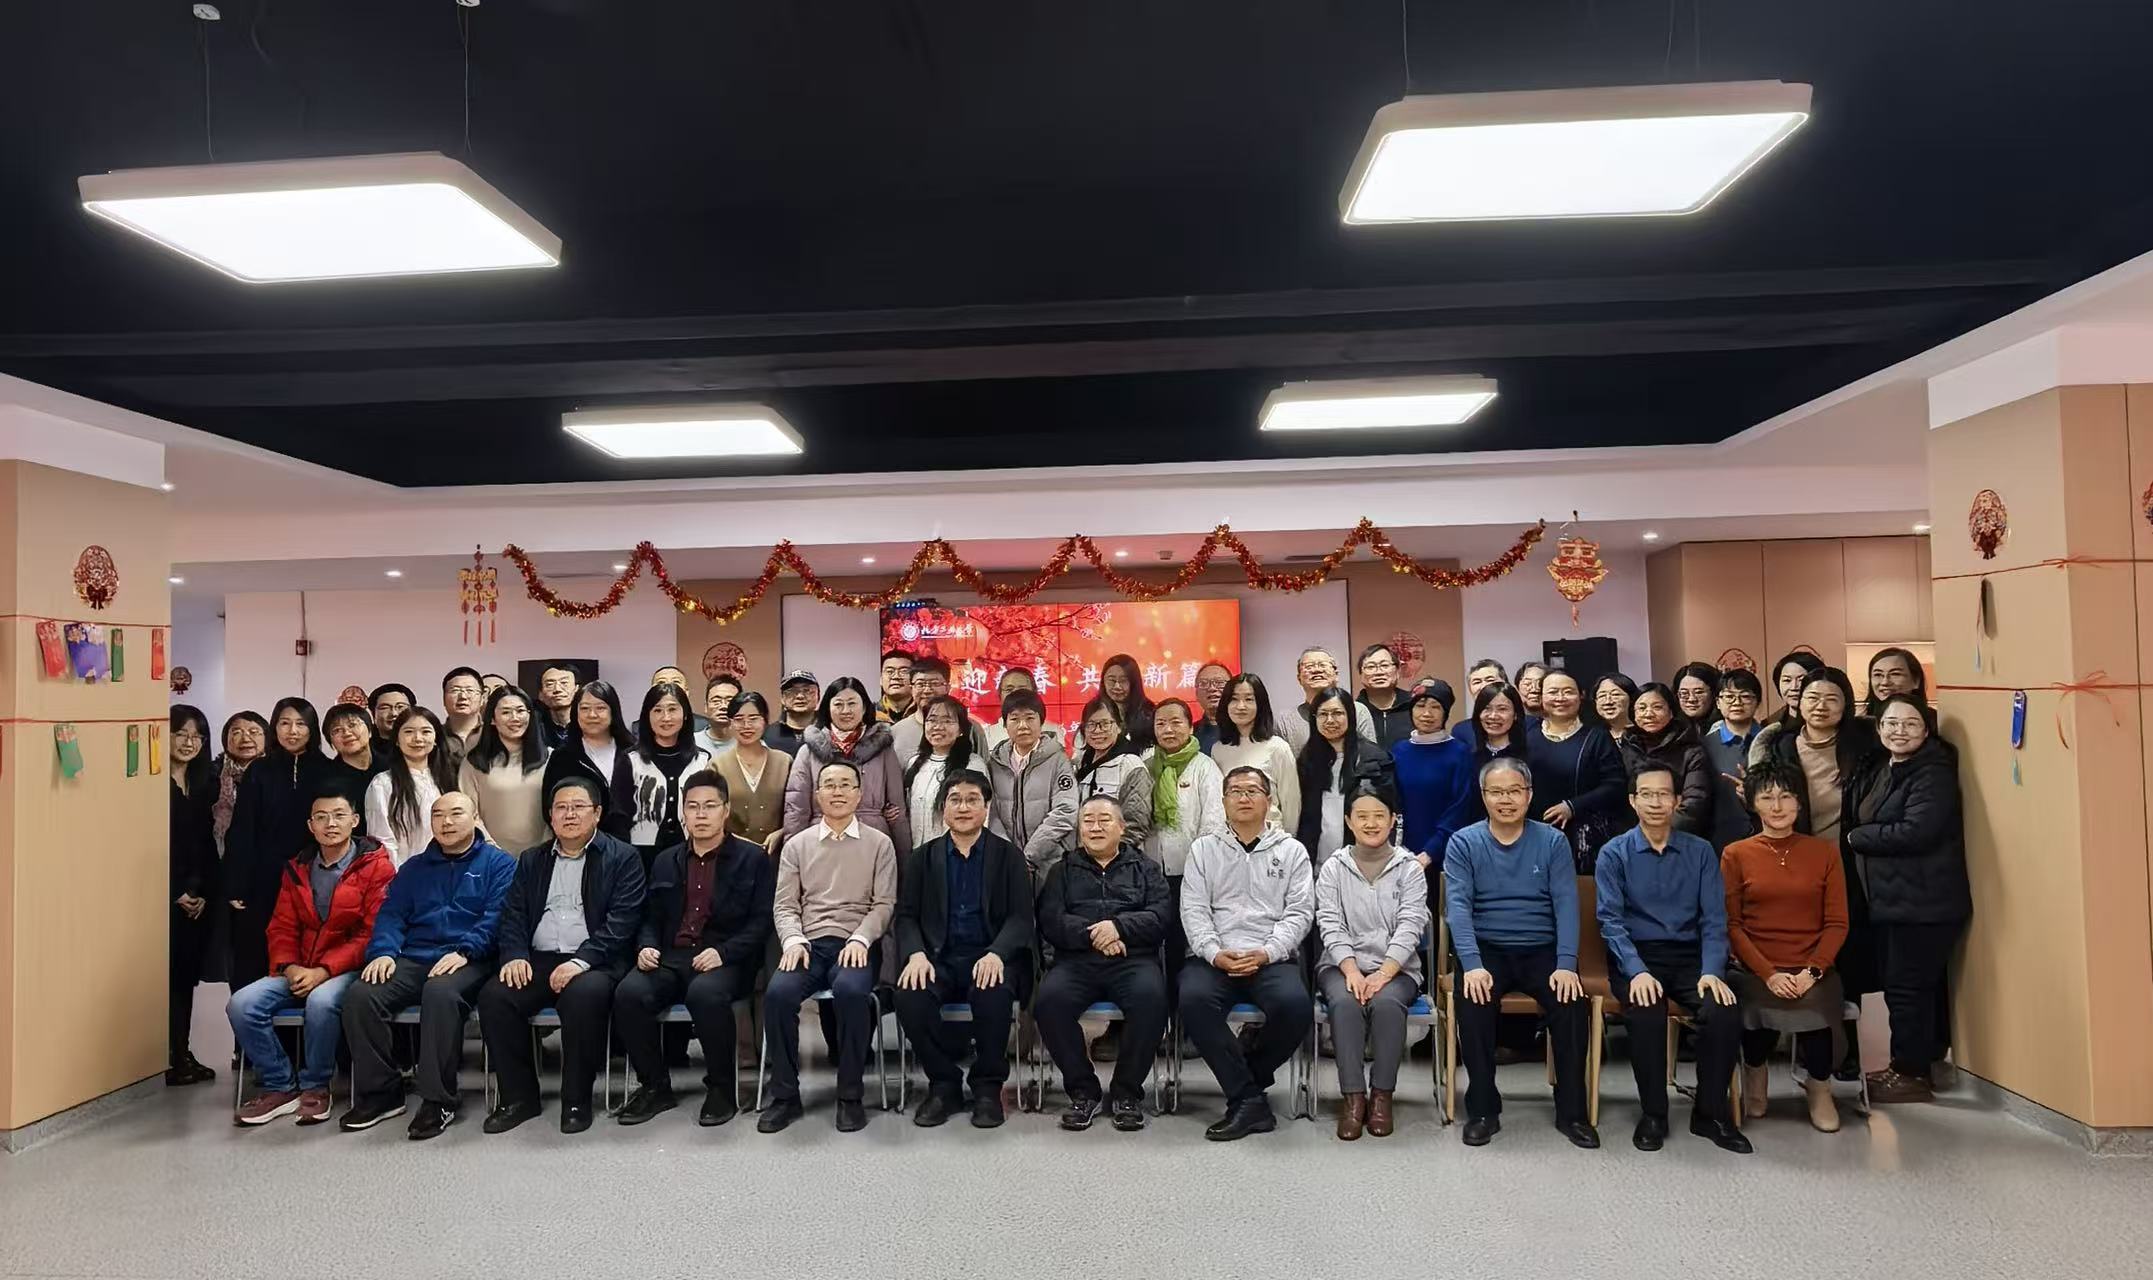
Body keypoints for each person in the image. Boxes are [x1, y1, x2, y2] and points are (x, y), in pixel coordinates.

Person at [337, 791, 517, 1138]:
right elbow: (391, 915)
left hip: (471, 958)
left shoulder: (499, 864)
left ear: (475, 818)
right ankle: (382, 1093)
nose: (446, 822)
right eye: (438, 815)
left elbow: (498, 916)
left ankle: (438, 1100)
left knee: (440, 993)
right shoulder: (414, 868)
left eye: (456, 813)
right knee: (362, 995)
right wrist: (384, 952)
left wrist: (466, 951)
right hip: (415, 956)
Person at [477, 775, 648, 1135]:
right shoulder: (532, 860)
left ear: (597, 813)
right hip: (539, 958)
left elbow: (622, 924)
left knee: (582, 997)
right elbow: (513, 915)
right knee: (496, 996)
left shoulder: (623, 857)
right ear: (550, 816)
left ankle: (576, 1100)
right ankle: (519, 1098)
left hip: (595, 960)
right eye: (561, 808)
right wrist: (514, 954)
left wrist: (579, 962)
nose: (569, 815)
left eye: (578, 807)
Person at [1596, 762, 1750, 1154]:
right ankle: (1654, 1113)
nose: (1655, 802)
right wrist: (1636, 971)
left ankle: (1710, 1113)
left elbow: (1714, 919)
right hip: (1638, 956)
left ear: (1677, 800)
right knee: (1646, 1010)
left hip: (1691, 957)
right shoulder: (1614, 853)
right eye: (1646, 794)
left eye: (1663, 794)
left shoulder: (1700, 852)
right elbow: (1611, 922)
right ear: (1632, 801)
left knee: (1723, 1009)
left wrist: (1712, 970)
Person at [1444, 757, 1597, 1149]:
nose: (1506, 799)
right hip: (1487, 951)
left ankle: (1572, 1111)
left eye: (1514, 791)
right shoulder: (1464, 842)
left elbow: (1566, 904)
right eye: (1496, 792)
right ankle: (1483, 1109)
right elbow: (1458, 908)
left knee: (1571, 1003)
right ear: (1484, 796)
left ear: (1529, 795)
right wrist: (1472, 965)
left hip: (1542, 949)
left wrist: (1566, 964)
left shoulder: (1552, 841)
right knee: (1473, 1004)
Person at [612, 770, 775, 1127]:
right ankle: (655, 1086)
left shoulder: (752, 858)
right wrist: (646, 945)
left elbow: (762, 921)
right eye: (693, 806)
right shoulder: (666, 859)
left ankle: (721, 1089)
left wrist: (724, 953)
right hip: (671, 957)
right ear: (683, 812)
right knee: (629, 993)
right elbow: (649, 916)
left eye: (710, 806)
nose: (701, 814)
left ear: (726, 810)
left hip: (727, 958)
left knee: (705, 994)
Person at [227, 786, 392, 1125]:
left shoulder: (376, 866)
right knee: (242, 1004)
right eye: (321, 817)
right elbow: (281, 927)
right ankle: (280, 1085)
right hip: (299, 967)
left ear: (355, 821)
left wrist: (324, 971)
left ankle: (316, 1086)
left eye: (339, 816)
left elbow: (371, 933)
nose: (330, 824)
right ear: (310, 826)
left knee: (321, 1001)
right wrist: (289, 968)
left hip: (349, 968)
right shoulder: (297, 868)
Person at [1843, 694, 1971, 1104]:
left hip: (1922, 903)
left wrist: (1858, 838)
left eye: (1910, 723)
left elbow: (1917, 831)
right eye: (1891, 724)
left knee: (1907, 989)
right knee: (1903, 986)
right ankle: (1914, 1063)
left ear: (1927, 730)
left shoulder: (1933, 772)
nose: (1899, 731)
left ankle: (1910, 1073)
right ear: (1879, 729)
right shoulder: (1888, 766)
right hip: (1893, 901)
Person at [761, 759, 900, 1134]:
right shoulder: (798, 845)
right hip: (808, 944)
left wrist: (861, 937)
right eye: (829, 785)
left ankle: (850, 1096)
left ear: (859, 793)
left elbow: (884, 904)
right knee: (778, 994)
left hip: (856, 943)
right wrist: (793, 939)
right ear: (817, 794)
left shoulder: (879, 843)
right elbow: (785, 905)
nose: (837, 792)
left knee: (852, 992)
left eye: (845, 785)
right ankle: (785, 1096)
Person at [1179, 766, 1315, 1141]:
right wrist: (1213, 951)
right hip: (1215, 956)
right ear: (1223, 801)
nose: (1243, 798)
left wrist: (1268, 952)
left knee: (1295, 1007)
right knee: (1193, 1000)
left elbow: (1300, 913)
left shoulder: (1292, 852)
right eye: (1235, 791)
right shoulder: (1204, 849)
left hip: (1270, 956)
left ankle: (1244, 1086)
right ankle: (1249, 1098)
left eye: (1252, 791)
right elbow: (1193, 909)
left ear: (1268, 801)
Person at [895, 771, 1034, 1128]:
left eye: (973, 799)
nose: (963, 807)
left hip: (989, 955)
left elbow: (1021, 918)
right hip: (937, 958)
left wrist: (997, 953)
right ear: (943, 809)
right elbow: (906, 916)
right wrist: (916, 954)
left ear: (986, 807)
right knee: (910, 996)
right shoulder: (922, 858)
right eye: (955, 799)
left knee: (993, 993)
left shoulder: (1009, 856)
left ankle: (987, 1087)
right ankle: (944, 1084)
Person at [1722, 760, 1849, 1132]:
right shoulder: (1735, 854)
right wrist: (1769, 974)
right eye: (1767, 797)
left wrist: (1812, 971)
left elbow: (1837, 923)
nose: (1777, 806)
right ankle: (1755, 1073)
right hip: (1756, 967)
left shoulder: (1825, 853)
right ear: (1752, 803)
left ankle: (1819, 1087)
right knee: (1759, 1010)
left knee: (1816, 1013)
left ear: (1799, 802)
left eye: (1786, 796)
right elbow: (1732, 924)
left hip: (1813, 967)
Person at [1033, 795, 1173, 1132]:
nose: (1095, 827)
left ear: (1122, 827)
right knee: (1049, 1002)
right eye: (1088, 821)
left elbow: (1161, 916)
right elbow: (1051, 919)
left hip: (1132, 960)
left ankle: (1127, 1092)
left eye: (1104, 820)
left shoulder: (1146, 869)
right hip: (1076, 961)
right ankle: (1084, 1091)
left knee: (1152, 1000)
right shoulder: (1062, 870)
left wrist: (1120, 928)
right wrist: (1095, 934)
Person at [1315, 784, 1431, 1139]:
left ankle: (1382, 1096)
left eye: (1379, 815)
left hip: (1398, 968)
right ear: (1349, 821)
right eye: (1362, 816)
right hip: (1340, 965)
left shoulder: (1409, 868)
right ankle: (1353, 1099)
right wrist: (1351, 969)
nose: (1371, 823)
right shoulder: (1333, 868)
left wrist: (1384, 972)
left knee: (1386, 1003)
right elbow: (1329, 922)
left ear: (1393, 820)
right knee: (1346, 1002)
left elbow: (1412, 924)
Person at [223, 697, 330, 988]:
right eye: (284, 723)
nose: (292, 731)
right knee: (254, 958)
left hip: (312, 877)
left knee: (305, 957)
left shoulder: (327, 769)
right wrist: (236, 882)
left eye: (300, 724)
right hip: (263, 877)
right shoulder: (259, 770)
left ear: (312, 729)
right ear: (274, 728)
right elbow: (242, 828)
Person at [783, 676, 910, 852]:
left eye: (852, 704)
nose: (845, 711)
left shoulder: (883, 750)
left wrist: (904, 857)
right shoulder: (808, 751)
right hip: (821, 840)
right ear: (827, 708)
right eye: (838, 704)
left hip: (872, 841)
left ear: (864, 708)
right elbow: (796, 808)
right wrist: (791, 853)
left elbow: (897, 809)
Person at [1522, 670, 1630, 874]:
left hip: (1584, 838)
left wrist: (1573, 806)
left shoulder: (1597, 737)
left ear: (1581, 695)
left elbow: (1615, 785)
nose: (1560, 698)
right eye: (1553, 692)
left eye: (1568, 691)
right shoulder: (1527, 737)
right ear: (1542, 697)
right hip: (1534, 834)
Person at [167, 705, 220, 1087]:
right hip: (160, 897)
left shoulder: (205, 784)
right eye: (180, 734)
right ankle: (163, 1058)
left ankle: (181, 1054)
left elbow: (206, 844)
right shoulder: (151, 782)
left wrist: (199, 892)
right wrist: (174, 892)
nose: (189, 742)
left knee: (185, 979)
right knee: (162, 979)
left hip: (197, 899)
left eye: (197, 736)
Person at [1294, 687, 1393, 867]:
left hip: (1361, 861)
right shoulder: (1307, 759)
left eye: (1337, 713)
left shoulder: (1373, 758)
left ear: (1350, 716)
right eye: (1323, 714)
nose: (1330, 720)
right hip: (1315, 862)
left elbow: (1391, 812)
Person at [985, 688, 1078, 872]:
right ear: (1005, 724)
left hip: (1051, 863)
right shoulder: (996, 762)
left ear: (1041, 721)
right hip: (1007, 864)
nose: (1023, 726)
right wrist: (1009, 856)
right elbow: (991, 813)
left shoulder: (1058, 759)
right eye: (1014, 719)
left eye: (1029, 718)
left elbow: (1066, 810)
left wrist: (1029, 856)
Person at [626, 681, 715, 870]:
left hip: (693, 854)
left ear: (685, 715)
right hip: (639, 857)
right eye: (657, 710)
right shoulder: (630, 759)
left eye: (673, 709)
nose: (666, 717)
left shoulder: (703, 760)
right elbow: (619, 814)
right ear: (647, 716)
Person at [1391, 680, 1477, 873]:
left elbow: (1460, 808)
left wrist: (1431, 851)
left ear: (1445, 713)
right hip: (1403, 854)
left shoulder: (1459, 752)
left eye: (1435, 707)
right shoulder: (1399, 751)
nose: (1427, 713)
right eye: (1420, 706)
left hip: (1447, 853)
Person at [538, 679, 638, 842]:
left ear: (613, 712)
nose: (592, 715)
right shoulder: (563, 757)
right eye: (584, 708)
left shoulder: (633, 752)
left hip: (632, 844)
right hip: (580, 845)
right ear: (575, 713)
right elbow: (550, 807)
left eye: (600, 708)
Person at [458, 684, 551, 855]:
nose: (515, 718)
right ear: (492, 719)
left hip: (544, 856)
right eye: (506, 712)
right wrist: (493, 851)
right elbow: (470, 813)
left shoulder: (550, 758)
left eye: (520, 711)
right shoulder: (474, 763)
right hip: (491, 857)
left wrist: (542, 853)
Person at [364, 707, 460, 866]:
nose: (418, 738)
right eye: (409, 732)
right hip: (404, 872)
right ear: (396, 740)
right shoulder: (383, 784)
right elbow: (382, 840)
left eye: (426, 732)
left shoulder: (449, 779)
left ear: (436, 738)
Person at [1618, 682, 1713, 837]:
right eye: (1641, 708)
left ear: (1671, 711)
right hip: (1630, 837)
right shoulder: (1626, 747)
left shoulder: (1691, 750)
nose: (1649, 714)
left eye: (1657, 707)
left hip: (1678, 836)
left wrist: (1658, 834)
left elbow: (1695, 802)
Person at [1210, 673, 1301, 834]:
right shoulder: (1218, 749)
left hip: (1271, 837)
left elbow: (1291, 803)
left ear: (1260, 704)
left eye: (1249, 699)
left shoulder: (1277, 747)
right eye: (1234, 699)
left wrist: (1287, 840)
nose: (1241, 706)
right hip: (1232, 837)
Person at [1071, 695, 1154, 850]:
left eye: (1105, 724)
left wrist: (1109, 855)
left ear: (1119, 726)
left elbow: (1136, 824)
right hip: (1082, 856)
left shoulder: (1131, 765)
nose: (1097, 731)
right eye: (1091, 725)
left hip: (1118, 857)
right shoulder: (1079, 764)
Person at [716, 692, 791, 848]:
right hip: (731, 853)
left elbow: (797, 809)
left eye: (753, 718)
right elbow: (712, 814)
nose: (746, 726)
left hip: (778, 852)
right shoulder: (717, 766)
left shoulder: (784, 762)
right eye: (739, 719)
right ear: (730, 723)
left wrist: (782, 832)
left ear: (765, 721)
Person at [1702, 668, 1764, 851]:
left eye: (1745, 696)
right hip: (1720, 842)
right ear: (1718, 702)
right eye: (1729, 696)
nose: (1737, 702)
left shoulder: (1772, 741)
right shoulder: (1704, 746)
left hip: (1767, 837)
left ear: (1757, 702)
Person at [902, 695, 978, 845]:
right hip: (918, 853)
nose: (938, 727)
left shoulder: (972, 765)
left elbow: (980, 818)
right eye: (932, 720)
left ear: (961, 729)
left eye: (947, 721)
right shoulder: (914, 763)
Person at [1279, 647, 1377, 754]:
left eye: (1323, 665)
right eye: (1309, 666)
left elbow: (1371, 756)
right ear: (1299, 679)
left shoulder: (1358, 711)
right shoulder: (1285, 721)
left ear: (1336, 674)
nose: (1317, 670)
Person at [213, 710, 270, 857]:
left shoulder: (277, 774)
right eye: (237, 732)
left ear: (267, 738)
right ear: (225, 739)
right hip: (218, 855)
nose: (245, 738)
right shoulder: (212, 774)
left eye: (254, 732)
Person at [320, 703, 385, 830]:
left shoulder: (393, 767)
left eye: (352, 725)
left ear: (370, 731)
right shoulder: (326, 779)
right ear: (331, 742)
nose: (346, 733)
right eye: (337, 730)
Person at [1754, 650, 1826, 759]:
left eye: (1801, 680)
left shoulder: (1830, 721)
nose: (1794, 687)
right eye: (1787, 680)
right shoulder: (1769, 725)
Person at [1356, 643, 1415, 748]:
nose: (1379, 672)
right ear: (1361, 674)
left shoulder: (1415, 706)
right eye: (1371, 667)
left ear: (1397, 671)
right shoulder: (1353, 711)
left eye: (1384, 665)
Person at [1100, 653, 1158, 753]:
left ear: (1134, 682)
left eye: (1123, 680)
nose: (1117, 686)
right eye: (1111, 680)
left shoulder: (1149, 713)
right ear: (1103, 681)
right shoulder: (1095, 711)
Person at [1864, 647, 1931, 721]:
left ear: (1916, 681)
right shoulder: (1861, 722)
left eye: (1895, 674)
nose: (1885, 682)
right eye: (1878, 674)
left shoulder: (1935, 721)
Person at [440, 667, 486, 769]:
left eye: (470, 690)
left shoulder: (495, 735)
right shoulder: (434, 736)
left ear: (482, 699)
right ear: (444, 699)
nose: (463, 696)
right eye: (455, 690)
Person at [768, 669, 820, 756]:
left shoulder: (830, 732)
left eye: (807, 690)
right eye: (792, 691)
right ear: (782, 699)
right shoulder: (768, 734)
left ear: (818, 696)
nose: (800, 696)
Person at [535, 663, 582, 752]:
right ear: (540, 694)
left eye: (564, 683)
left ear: (576, 688)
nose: (557, 689)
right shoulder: (534, 728)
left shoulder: (588, 724)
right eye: (549, 684)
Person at [696, 675, 743, 759]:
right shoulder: (690, 743)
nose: (723, 706)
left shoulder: (753, 746)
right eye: (716, 701)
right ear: (706, 706)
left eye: (730, 701)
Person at [1191, 661, 1234, 752]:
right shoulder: (1189, 734)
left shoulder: (1245, 729)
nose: (1212, 688)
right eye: (1204, 683)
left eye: (1219, 682)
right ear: (1196, 694)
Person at [1673, 662, 1722, 737]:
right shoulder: (1674, 729)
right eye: (1684, 693)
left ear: (1714, 693)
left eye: (1698, 692)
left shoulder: (1725, 727)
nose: (1691, 699)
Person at [367, 683, 416, 758]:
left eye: (400, 707)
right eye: (385, 708)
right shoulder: (364, 749)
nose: (394, 713)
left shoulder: (425, 744)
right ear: (372, 713)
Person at [1591, 673, 1639, 746]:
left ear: (1631, 698)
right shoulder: (1590, 737)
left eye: (1615, 694)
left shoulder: (1645, 734)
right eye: (1602, 696)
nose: (1608, 701)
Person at [876, 648, 917, 722]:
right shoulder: (869, 715)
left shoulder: (925, 713)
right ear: (881, 679)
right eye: (890, 671)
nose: (896, 677)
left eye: (904, 671)